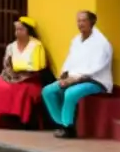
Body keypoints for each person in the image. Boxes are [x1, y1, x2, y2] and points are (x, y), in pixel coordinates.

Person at [43, 10, 113, 138]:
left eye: (83, 20)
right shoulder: (76, 40)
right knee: (48, 91)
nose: (80, 24)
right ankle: (62, 123)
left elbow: (97, 67)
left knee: (71, 92)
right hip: (74, 77)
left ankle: (68, 128)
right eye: (78, 21)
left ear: (92, 22)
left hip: (94, 80)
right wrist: (64, 73)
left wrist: (75, 79)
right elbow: (70, 59)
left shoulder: (101, 43)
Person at [0, 17, 49, 128]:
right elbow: (7, 64)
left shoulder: (36, 46)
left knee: (23, 91)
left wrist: (21, 71)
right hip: (13, 76)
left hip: (30, 78)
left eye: (21, 29)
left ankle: (20, 122)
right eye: (16, 30)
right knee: (0, 87)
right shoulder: (11, 46)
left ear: (28, 31)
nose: (18, 32)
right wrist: (11, 74)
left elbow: (39, 66)